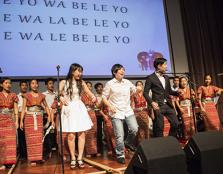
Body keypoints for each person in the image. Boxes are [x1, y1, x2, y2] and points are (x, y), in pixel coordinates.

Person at [59, 63, 96, 169]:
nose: (80, 73)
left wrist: (93, 97)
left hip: (79, 108)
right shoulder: (64, 82)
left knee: (81, 134)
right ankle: (73, 157)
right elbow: (58, 93)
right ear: (72, 71)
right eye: (78, 71)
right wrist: (61, 98)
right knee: (71, 135)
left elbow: (89, 93)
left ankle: (80, 157)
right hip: (69, 108)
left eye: (81, 71)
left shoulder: (81, 83)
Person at [102, 64, 138, 164]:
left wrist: (136, 90)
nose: (123, 71)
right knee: (119, 135)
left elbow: (134, 90)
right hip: (116, 112)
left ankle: (127, 143)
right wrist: (110, 106)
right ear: (114, 72)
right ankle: (120, 154)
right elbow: (104, 98)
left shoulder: (127, 82)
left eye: (124, 70)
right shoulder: (110, 84)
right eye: (120, 70)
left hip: (127, 110)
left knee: (134, 129)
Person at [143, 58, 179, 137]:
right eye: (165, 65)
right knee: (159, 127)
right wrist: (152, 102)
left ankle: (170, 140)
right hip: (158, 105)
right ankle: (159, 144)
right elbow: (145, 93)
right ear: (159, 66)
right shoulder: (150, 78)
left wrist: (178, 93)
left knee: (176, 124)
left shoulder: (166, 77)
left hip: (168, 105)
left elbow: (169, 91)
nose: (166, 67)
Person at [20, 79, 51, 166]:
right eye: (32, 83)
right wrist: (21, 121)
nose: (34, 85)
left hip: (38, 117)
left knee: (38, 139)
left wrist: (49, 116)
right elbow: (23, 109)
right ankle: (32, 159)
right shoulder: (26, 95)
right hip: (29, 118)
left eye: (36, 83)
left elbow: (46, 106)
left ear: (38, 85)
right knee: (31, 139)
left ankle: (39, 157)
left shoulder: (42, 96)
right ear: (30, 85)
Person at [0, 78, 19, 170]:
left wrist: (17, 121)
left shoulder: (13, 95)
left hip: (10, 120)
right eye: (6, 83)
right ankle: (2, 162)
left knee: (10, 141)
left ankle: (10, 161)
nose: (8, 85)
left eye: (10, 83)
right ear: (1, 84)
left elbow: (15, 109)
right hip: (0, 120)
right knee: (2, 142)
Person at [94, 82, 116, 156]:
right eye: (99, 87)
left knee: (110, 133)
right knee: (99, 133)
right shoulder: (94, 96)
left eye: (101, 87)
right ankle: (99, 150)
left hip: (108, 116)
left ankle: (112, 149)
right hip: (99, 116)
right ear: (96, 89)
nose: (101, 88)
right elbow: (98, 108)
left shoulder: (108, 97)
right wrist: (104, 115)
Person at [81, 81, 99, 157]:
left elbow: (97, 105)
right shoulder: (81, 95)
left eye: (90, 86)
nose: (88, 87)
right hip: (84, 114)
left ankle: (94, 151)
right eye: (87, 86)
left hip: (92, 113)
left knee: (94, 132)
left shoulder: (93, 96)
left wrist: (95, 104)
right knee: (87, 133)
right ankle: (88, 152)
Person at [175, 77, 195, 142]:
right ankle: (187, 138)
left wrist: (194, 98)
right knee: (186, 124)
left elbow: (194, 99)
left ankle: (193, 137)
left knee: (192, 123)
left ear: (187, 82)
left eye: (185, 81)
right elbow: (176, 100)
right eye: (182, 81)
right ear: (180, 83)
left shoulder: (190, 89)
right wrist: (180, 108)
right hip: (183, 108)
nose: (183, 82)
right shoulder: (179, 90)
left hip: (190, 108)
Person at [42, 78, 57, 160]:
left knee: (55, 133)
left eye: (52, 83)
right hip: (47, 116)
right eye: (50, 83)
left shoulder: (56, 94)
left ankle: (56, 150)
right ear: (46, 85)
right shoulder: (43, 94)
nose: (51, 85)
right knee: (47, 134)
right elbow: (43, 106)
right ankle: (48, 151)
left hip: (56, 116)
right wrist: (49, 115)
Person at [131, 81, 150, 145]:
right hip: (137, 114)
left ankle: (147, 143)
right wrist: (137, 109)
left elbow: (149, 104)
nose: (139, 86)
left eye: (140, 85)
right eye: (138, 85)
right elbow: (132, 107)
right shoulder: (133, 95)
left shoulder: (145, 94)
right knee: (140, 130)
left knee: (146, 128)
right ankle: (141, 144)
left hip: (145, 113)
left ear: (142, 86)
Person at [17, 80, 28, 161]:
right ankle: (22, 155)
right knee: (21, 137)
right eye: (22, 85)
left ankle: (29, 154)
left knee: (28, 137)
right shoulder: (17, 97)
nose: (24, 86)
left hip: (29, 118)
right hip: (21, 118)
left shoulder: (29, 96)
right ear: (20, 86)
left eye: (25, 85)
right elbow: (17, 109)